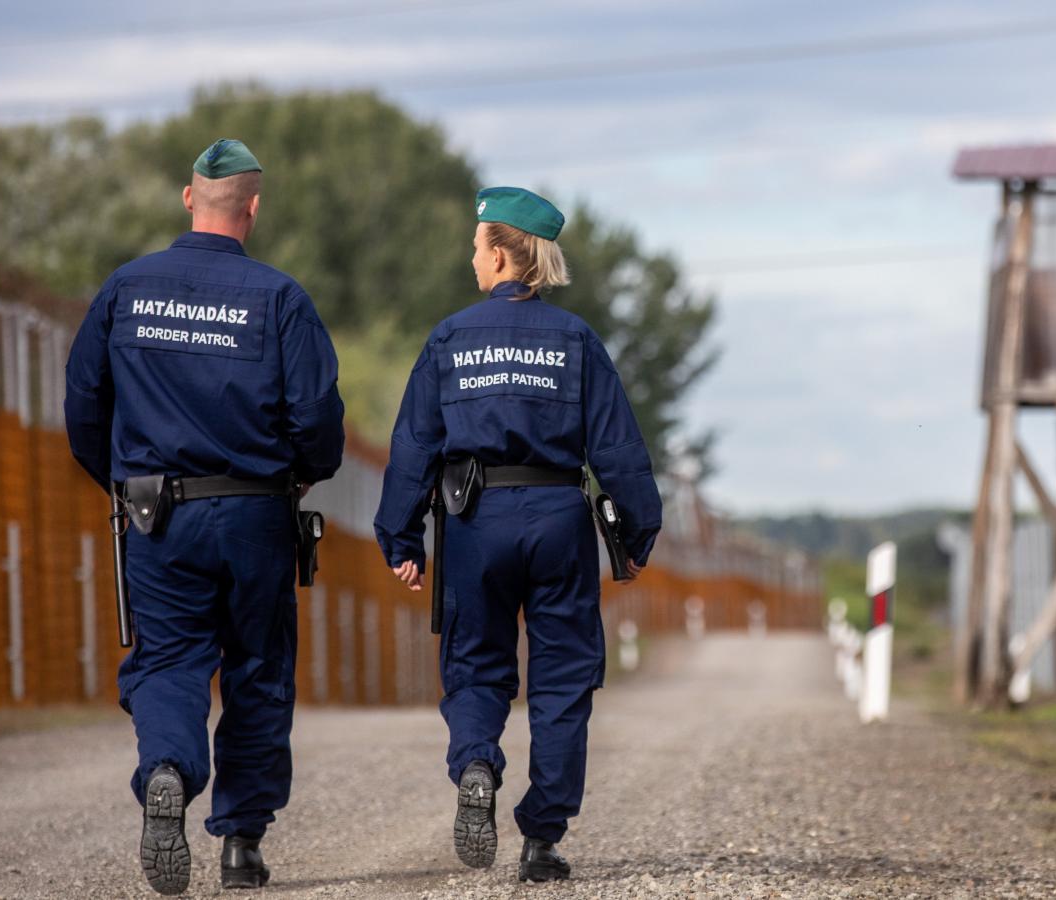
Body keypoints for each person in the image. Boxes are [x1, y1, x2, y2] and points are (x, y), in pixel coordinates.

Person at [64, 139, 346, 895]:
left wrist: (122, 484)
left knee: (168, 660)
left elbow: (84, 406)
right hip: (257, 514)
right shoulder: (281, 298)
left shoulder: (126, 288)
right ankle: (241, 845)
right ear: (253, 209)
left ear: (189, 199)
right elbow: (317, 418)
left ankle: (165, 771)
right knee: (257, 669)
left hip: (157, 514)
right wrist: (301, 474)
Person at [373, 186, 661, 883]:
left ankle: (476, 760)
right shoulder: (577, 340)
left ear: (501, 254)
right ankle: (542, 838)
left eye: (476, 247)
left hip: (476, 521)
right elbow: (618, 448)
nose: (472, 259)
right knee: (562, 677)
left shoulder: (449, 337)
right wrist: (640, 530)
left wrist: (400, 539)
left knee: (476, 662)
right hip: (560, 517)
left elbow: (414, 447)